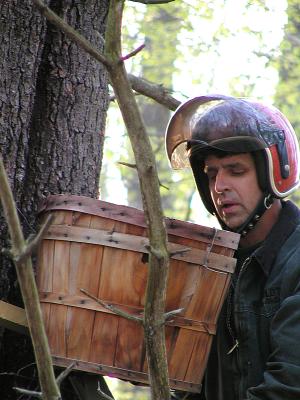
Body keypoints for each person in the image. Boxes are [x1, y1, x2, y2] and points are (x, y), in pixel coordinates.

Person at [165, 94, 300, 399]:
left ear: (271, 175)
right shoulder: (208, 269)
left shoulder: (296, 261)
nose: (219, 186)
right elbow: (186, 386)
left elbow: (289, 386)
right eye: (211, 174)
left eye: (235, 171)